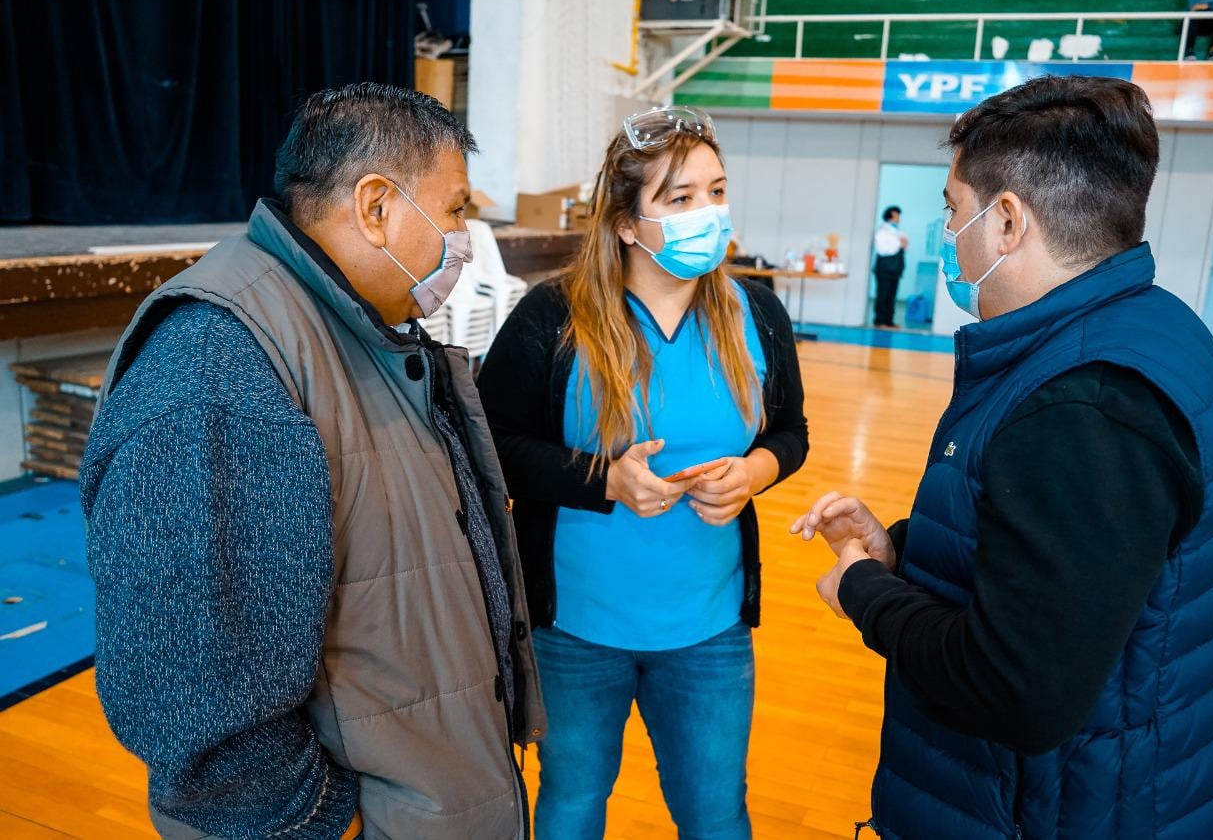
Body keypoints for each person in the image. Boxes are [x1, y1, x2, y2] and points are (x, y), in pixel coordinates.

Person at [795, 75, 1213, 838]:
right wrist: (904, 552)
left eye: (952, 209)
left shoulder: (1089, 404)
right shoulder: (1143, 328)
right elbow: (1069, 573)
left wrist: (866, 590)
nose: (949, 231)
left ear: (1007, 220)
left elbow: (1017, 688)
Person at [81, 83, 545, 839]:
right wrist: (315, 822)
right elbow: (192, 693)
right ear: (375, 206)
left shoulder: (362, 329)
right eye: (456, 208)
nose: (465, 234)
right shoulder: (219, 365)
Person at [478, 105, 808, 840]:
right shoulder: (551, 318)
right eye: (680, 198)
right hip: (576, 631)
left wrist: (756, 469)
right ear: (627, 223)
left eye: (716, 192)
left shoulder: (756, 313)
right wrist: (605, 479)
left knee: (717, 812)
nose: (708, 213)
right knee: (571, 802)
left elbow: (793, 433)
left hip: (710, 630)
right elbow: (491, 445)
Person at [872, 205, 908, 328]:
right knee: (883, 295)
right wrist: (899, 243)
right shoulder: (882, 231)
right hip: (884, 268)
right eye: (896, 215)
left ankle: (889, 321)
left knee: (892, 296)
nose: (899, 218)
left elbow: (903, 247)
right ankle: (879, 321)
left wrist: (903, 244)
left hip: (895, 268)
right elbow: (882, 250)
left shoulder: (898, 230)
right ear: (890, 217)